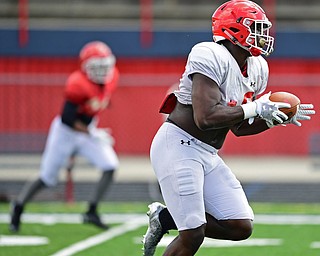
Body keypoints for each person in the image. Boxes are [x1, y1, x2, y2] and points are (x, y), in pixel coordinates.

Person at [142, 1, 315, 255]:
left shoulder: (257, 67)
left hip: (207, 153)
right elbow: (205, 117)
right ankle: (174, 222)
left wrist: (273, 118)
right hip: (178, 144)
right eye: (255, 28)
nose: (263, 35)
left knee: (239, 226)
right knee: (192, 235)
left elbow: (240, 128)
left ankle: (165, 218)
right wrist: (256, 107)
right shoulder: (209, 54)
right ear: (234, 30)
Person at [9, 41, 119, 232]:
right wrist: (92, 132)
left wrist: (93, 125)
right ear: (85, 67)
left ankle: (91, 211)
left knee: (110, 166)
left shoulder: (112, 78)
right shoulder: (78, 83)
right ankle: (18, 206)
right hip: (66, 132)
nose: (102, 71)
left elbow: (98, 102)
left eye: (104, 66)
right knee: (47, 178)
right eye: (97, 67)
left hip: (87, 129)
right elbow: (68, 118)